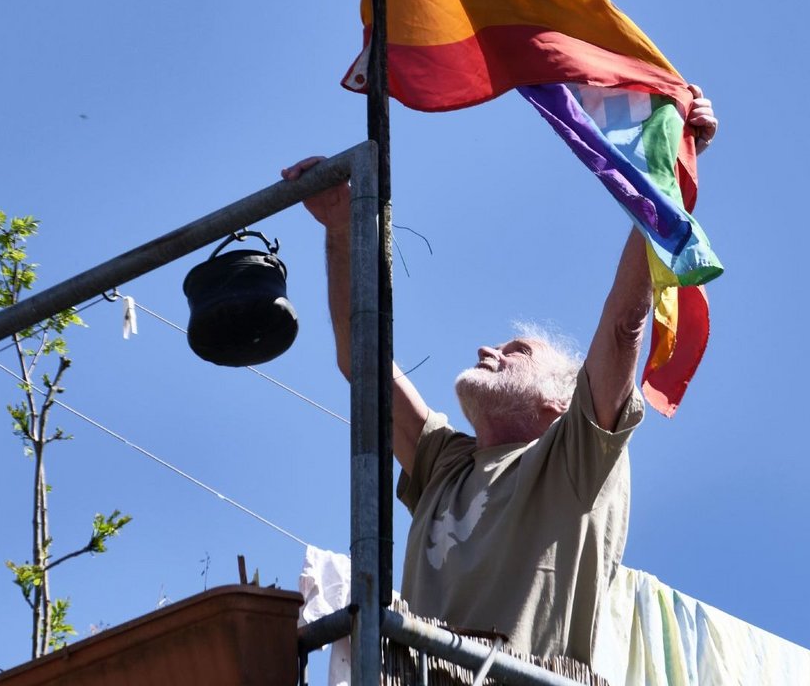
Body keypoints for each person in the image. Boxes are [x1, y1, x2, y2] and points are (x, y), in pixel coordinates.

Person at [281, 87, 718, 666]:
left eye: (517, 349)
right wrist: (341, 229)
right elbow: (361, 364)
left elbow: (621, 327)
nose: (489, 349)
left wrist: (665, 170)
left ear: (561, 400)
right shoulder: (445, 463)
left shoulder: (576, 458)